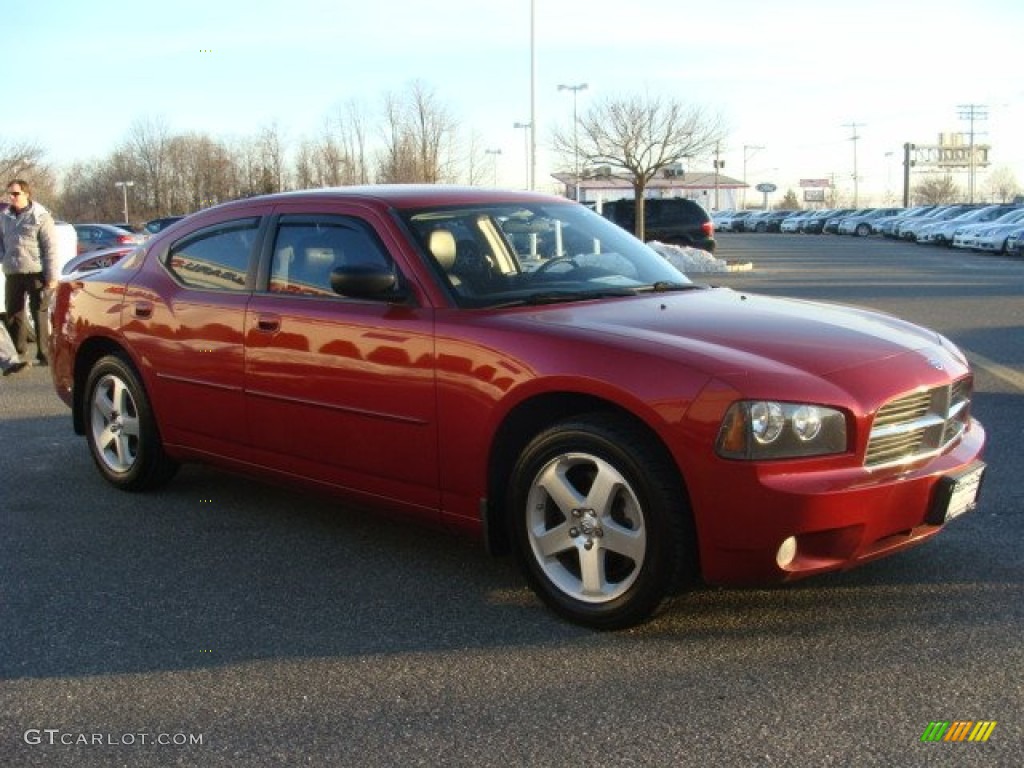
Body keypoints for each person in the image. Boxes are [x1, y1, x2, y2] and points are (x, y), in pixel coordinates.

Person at [1, 179, 58, 366]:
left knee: (39, 311)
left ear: (26, 194)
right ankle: (18, 351)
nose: (12, 197)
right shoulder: (4, 217)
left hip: (36, 272)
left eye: (16, 194)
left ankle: (44, 354)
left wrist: (51, 278)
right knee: (13, 312)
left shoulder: (40, 216)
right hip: (13, 272)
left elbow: (50, 249)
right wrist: (4, 258)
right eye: (9, 193)